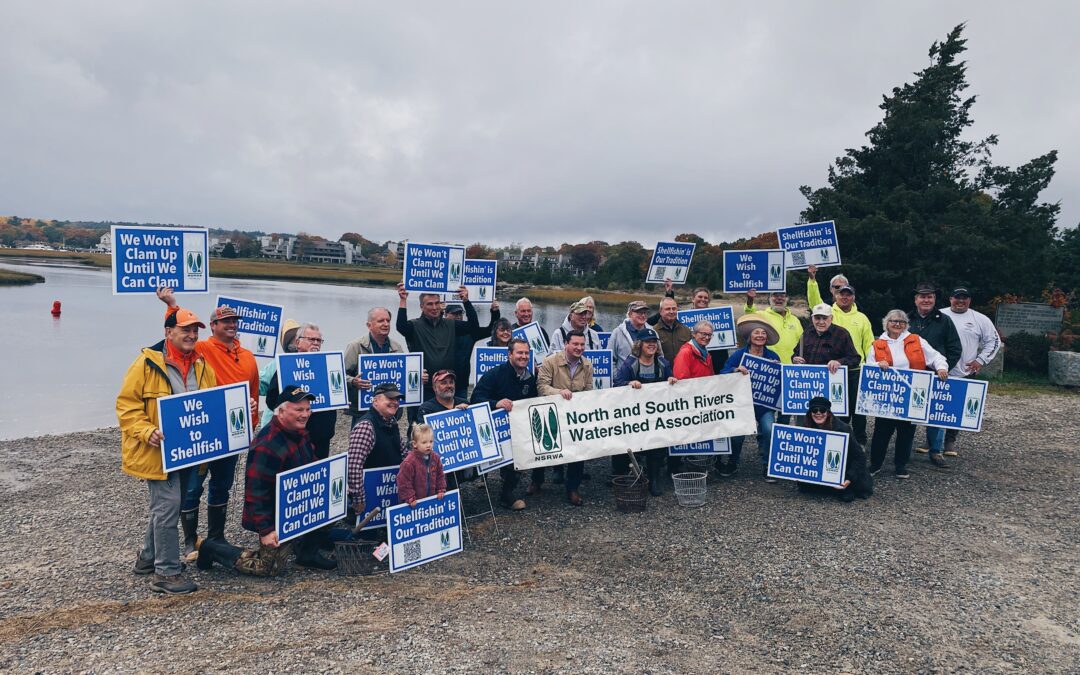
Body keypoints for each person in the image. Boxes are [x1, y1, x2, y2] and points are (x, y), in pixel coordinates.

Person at [117, 307, 217, 594]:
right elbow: (127, 406)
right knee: (169, 506)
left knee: (166, 507)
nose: (191, 335)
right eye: (185, 329)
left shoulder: (202, 364)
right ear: (168, 332)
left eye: (195, 330)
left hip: (190, 452)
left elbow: (210, 404)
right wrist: (146, 431)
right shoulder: (146, 364)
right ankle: (167, 572)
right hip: (156, 452)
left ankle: (147, 559)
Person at [157, 289, 260, 561]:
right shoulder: (201, 348)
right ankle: (190, 540)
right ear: (213, 326)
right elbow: (175, 337)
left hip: (233, 433)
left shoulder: (248, 356)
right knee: (193, 486)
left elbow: (254, 391)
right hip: (205, 431)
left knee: (222, 485)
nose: (231, 325)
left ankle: (216, 536)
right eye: (225, 321)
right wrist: (171, 306)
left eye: (234, 321)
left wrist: (251, 422)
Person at [195, 386, 337, 576]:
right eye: (299, 410)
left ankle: (306, 553)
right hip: (275, 515)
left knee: (333, 509)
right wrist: (266, 531)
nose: (305, 414)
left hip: (298, 506)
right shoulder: (268, 443)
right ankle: (210, 548)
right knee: (269, 568)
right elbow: (256, 492)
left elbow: (313, 467)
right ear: (281, 411)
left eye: (307, 409)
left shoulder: (299, 432)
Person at [867, 310, 950, 478]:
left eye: (901, 322)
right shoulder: (877, 344)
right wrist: (877, 364)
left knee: (906, 432)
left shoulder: (916, 340)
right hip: (887, 397)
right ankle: (875, 464)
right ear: (886, 323)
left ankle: (901, 465)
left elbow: (936, 357)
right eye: (893, 321)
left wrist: (941, 367)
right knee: (881, 432)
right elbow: (869, 367)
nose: (897, 324)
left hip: (911, 395)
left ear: (906, 325)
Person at [471, 337, 537, 510]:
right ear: (509, 354)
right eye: (519, 353)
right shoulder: (495, 374)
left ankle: (507, 493)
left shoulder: (530, 379)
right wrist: (496, 403)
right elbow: (475, 398)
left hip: (517, 430)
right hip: (494, 429)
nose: (523, 356)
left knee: (519, 457)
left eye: (526, 353)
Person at [612, 327, 678, 495]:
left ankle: (654, 480)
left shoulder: (663, 364)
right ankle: (621, 479)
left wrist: (671, 379)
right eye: (648, 342)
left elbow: (673, 384)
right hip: (634, 415)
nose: (652, 345)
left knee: (656, 447)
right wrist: (629, 384)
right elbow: (617, 383)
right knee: (626, 447)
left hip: (656, 415)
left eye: (654, 342)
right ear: (640, 345)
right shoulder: (630, 363)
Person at [940, 287, 1003, 456]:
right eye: (957, 297)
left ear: (969, 300)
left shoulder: (980, 319)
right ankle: (933, 440)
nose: (960, 301)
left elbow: (994, 341)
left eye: (964, 298)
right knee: (937, 406)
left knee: (956, 408)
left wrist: (981, 360)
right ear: (950, 298)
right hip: (939, 370)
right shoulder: (939, 315)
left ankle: (950, 441)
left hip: (964, 371)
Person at [534, 330, 593, 506]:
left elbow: (589, 390)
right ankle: (537, 481)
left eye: (582, 345)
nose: (579, 348)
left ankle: (573, 488)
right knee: (544, 446)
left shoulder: (587, 365)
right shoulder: (550, 361)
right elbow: (541, 386)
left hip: (575, 415)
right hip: (552, 411)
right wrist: (559, 392)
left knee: (578, 451)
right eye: (575, 344)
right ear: (566, 344)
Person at [396, 283, 479, 405]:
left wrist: (466, 301)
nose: (435, 307)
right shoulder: (414, 325)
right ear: (421, 306)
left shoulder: (451, 324)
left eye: (437, 303)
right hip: (423, 388)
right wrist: (403, 300)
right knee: (419, 423)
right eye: (430, 304)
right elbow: (400, 326)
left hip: (446, 387)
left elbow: (473, 327)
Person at [720, 315, 781, 480]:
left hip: (763, 406)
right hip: (742, 404)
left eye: (763, 333)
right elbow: (723, 373)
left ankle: (768, 465)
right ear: (749, 337)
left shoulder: (772, 356)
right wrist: (735, 370)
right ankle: (733, 462)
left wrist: (777, 370)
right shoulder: (738, 355)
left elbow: (779, 383)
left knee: (769, 429)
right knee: (738, 434)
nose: (760, 335)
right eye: (756, 333)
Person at [908, 282, 963, 465]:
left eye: (929, 296)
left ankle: (935, 450)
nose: (926, 300)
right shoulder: (907, 320)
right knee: (909, 415)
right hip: (912, 376)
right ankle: (905, 450)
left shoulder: (944, 320)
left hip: (936, 375)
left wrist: (944, 368)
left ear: (934, 299)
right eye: (922, 296)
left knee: (936, 415)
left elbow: (955, 348)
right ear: (916, 299)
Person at [266, 323, 337, 459]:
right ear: (298, 342)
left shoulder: (327, 365)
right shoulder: (287, 365)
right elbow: (271, 399)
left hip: (322, 436)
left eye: (318, 340)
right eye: (311, 339)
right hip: (296, 436)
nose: (316, 343)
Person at [346, 383, 411, 516]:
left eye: (397, 399)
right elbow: (353, 467)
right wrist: (359, 500)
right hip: (370, 497)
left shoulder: (392, 421)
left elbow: (404, 453)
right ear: (375, 401)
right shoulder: (365, 427)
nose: (395, 402)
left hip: (389, 492)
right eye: (390, 398)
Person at [795, 397, 873, 502]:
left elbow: (859, 457)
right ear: (810, 413)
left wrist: (849, 478)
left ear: (828, 413)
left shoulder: (843, 429)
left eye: (822, 410)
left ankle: (844, 486)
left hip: (843, 467)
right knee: (803, 485)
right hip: (821, 466)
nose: (818, 413)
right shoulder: (806, 428)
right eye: (814, 410)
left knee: (848, 489)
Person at [344, 307, 406, 427]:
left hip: (390, 411)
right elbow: (339, 375)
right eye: (381, 321)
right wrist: (353, 381)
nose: (385, 324)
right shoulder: (356, 346)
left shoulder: (396, 347)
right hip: (362, 411)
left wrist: (419, 376)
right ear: (369, 325)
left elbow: (404, 375)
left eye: (388, 321)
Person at [671, 320, 717, 476]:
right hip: (691, 402)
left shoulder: (705, 352)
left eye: (709, 335)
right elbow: (682, 381)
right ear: (694, 334)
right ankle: (677, 465)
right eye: (703, 334)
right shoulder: (686, 353)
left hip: (703, 401)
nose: (706, 337)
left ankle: (690, 462)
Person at [446, 300, 499, 398]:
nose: (458, 316)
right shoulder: (440, 331)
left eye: (460, 313)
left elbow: (491, 329)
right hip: (443, 382)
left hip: (462, 383)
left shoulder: (470, 332)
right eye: (454, 313)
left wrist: (495, 312)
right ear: (445, 315)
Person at [256, 318, 300, 432]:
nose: (296, 343)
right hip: (275, 421)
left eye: (299, 338)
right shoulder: (277, 363)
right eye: (294, 339)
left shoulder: (315, 362)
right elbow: (260, 387)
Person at [742, 289, 803, 364]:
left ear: (787, 298)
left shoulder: (795, 320)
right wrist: (750, 301)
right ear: (769, 298)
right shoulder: (761, 315)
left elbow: (802, 344)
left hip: (790, 369)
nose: (779, 298)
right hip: (769, 367)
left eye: (782, 295)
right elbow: (749, 315)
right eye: (775, 295)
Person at [397, 424, 447, 507]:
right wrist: (409, 497)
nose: (428, 445)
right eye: (424, 442)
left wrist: (441, 489)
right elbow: (403, 481)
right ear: (414, 444)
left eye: (431, 441)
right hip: (414, 503)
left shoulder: (435, 458)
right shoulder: (409, 462)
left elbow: (440, 475)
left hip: (431, 500)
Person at [609, 300, 652, 369]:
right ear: (630, 314)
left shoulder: (652, 331)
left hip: (648, 378)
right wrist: (619, 378)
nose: (643, 315)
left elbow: (660, 357)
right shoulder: (618, 332)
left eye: (645, 312)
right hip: (625, 379)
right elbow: (610, 359)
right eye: (639, 312)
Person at [651, 296, 693, 364]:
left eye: (674, 309)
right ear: (660, 312)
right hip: (663, 373)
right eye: (668, 309)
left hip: (683, 372)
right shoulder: (653, 331)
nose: (671, 311)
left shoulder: (686, 330)